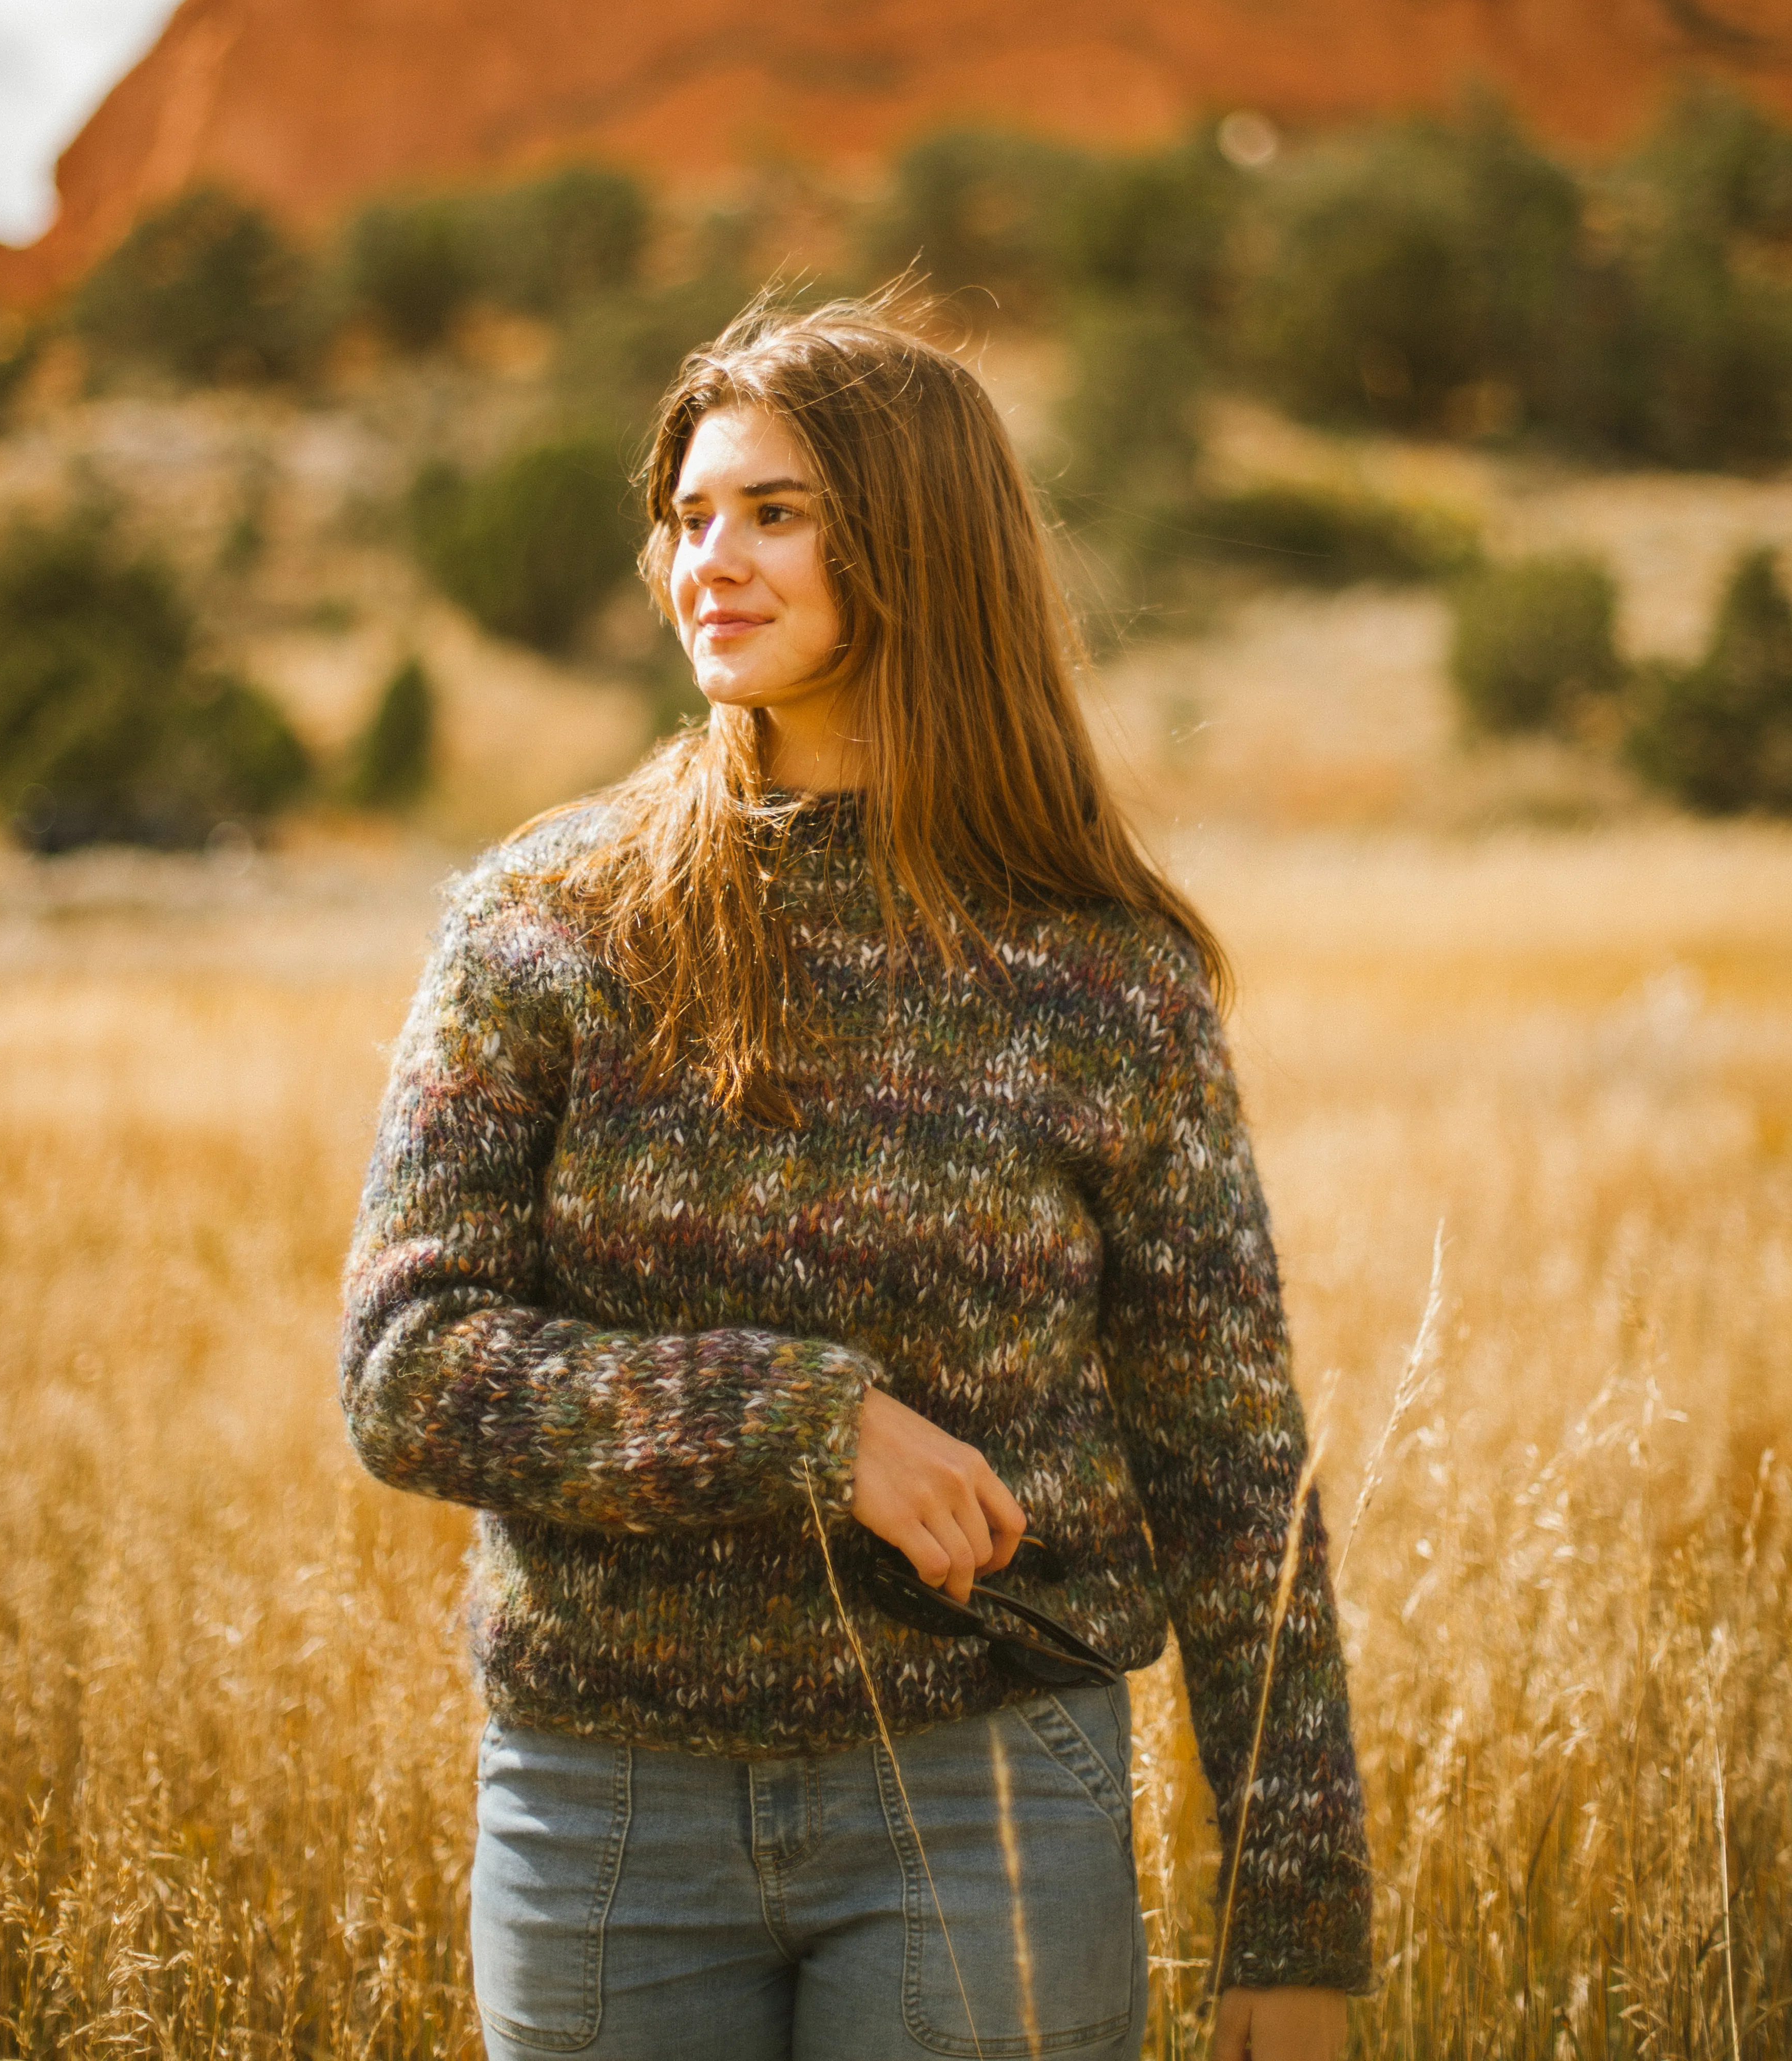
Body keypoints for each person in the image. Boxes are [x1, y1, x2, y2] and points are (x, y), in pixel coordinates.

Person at [341, 298, 1372, 2061]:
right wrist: (809, 1427)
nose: (709, 561)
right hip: (604, 1816)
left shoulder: (1099, 973)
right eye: (690, 515)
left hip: (985, 1798)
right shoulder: (548, 921)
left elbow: (1231, 1465)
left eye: (776, 513)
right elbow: (405, 1370)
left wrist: (1296, 1915)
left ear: (918, 541)